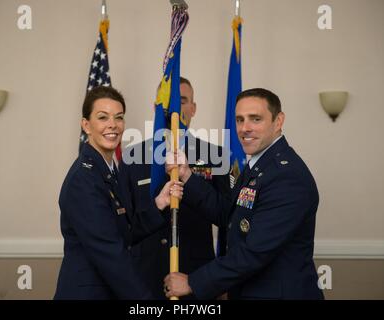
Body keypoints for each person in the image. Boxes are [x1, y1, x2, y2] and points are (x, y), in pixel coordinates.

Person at [164, 88, 324, 300]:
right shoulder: (259, 166)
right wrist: (186, 175)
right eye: (240, 120)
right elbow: (228, 215)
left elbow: (255, 252)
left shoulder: (286, 176)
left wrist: (194, 282)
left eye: (255, 119)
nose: (244, 128)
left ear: (278, 121)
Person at [54, 86, 183, 300]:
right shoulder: (84, 180)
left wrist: (159, 203)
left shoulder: (110, 171)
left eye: (119, 117)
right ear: (86, 125)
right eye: (103, 117)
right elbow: (110, 252)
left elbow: (124, 232)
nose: (112, 125)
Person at [119, 77, 231, 299]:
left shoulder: (215, 156)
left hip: (196, 278)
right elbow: (124, 224)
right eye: (168, 101)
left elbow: (225, 216)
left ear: (193, 108)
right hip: (144, 280)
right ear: (156, 107)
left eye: (183, 101)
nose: (176, 109)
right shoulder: (132, 157)